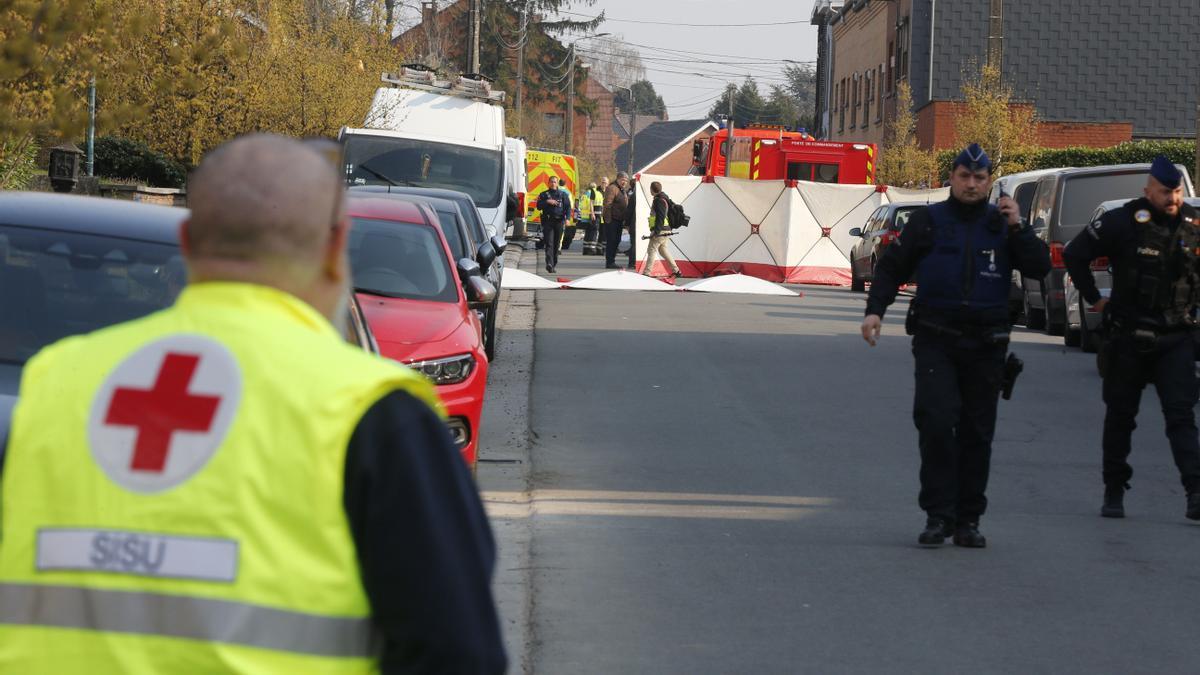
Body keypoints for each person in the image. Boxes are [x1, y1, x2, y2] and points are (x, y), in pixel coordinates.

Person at [0, 134, 507, 673]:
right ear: (336, 249)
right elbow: (457, 651)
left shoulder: (56, 382)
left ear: (190, 242)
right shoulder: (369, 412)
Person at [860, 143, 1051, 548]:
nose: (971, 184)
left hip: (986, 343)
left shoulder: (1002, 223)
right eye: (964, 176)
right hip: (936, 338)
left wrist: (1018, 226)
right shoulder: (929, 221)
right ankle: (937, 515)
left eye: (979, 178)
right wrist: (875, 310)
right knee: (935, 422)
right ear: (952, 178)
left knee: (976, 433)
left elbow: (1039, 267)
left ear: (988, 182)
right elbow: (892, 267)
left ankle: (968, 520)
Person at [1062, 156, 1200, 521]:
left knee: (1181, 417)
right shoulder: (1122, 221)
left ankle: (1195, 492)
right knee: (1121, 417)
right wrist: (1094, 298)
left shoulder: (1193, 225)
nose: (1171, 198)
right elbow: (1075, 254)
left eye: (1176, 191)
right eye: (1164, 191)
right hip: (1129, 337)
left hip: (1176, 337)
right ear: (1148, 190)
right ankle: (1113, 490)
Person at [641, 181, 682, 278]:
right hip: (666, 229)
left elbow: (660, 216)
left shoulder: (658, 200)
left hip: (661, 230)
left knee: (651, 249)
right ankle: (676, 271)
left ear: (652, 190)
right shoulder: (664, 199)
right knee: (663, 250)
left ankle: (647, 272)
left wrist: (656, 231)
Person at [536, 175, 572, 273]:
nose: (553, 183)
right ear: (548, 183)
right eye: (551, 181)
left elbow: (568, 208)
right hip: (548, 222)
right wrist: (547, 201)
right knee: (549, 243)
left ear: (557, 183)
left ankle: (553, 263)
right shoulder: (543, 195)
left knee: (556, 244)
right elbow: (538, 206)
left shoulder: (563, 195)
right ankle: (549, 263)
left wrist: (568, 219)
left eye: (555, 182)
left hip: (559, 222)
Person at [603, 172, 630, 269]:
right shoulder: (612, 188)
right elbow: (607, 204)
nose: (625, 182)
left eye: (626, 181)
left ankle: (612, 260)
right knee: (612, 241)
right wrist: (608, 220)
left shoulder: (622, 190)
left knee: (617, 240)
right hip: (612, 220)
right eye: (623, 180)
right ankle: (610, 262)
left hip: (619, 220)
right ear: (618, 179)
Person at [580, 182, 603, 256]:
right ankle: (592, 249)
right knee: (593, 232)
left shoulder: (584, 194)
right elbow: (598, 205)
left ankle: (585, 249)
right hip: (594, 215)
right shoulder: (597, 193)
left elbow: (581, 205)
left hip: (585, 217)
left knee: (587, 233)